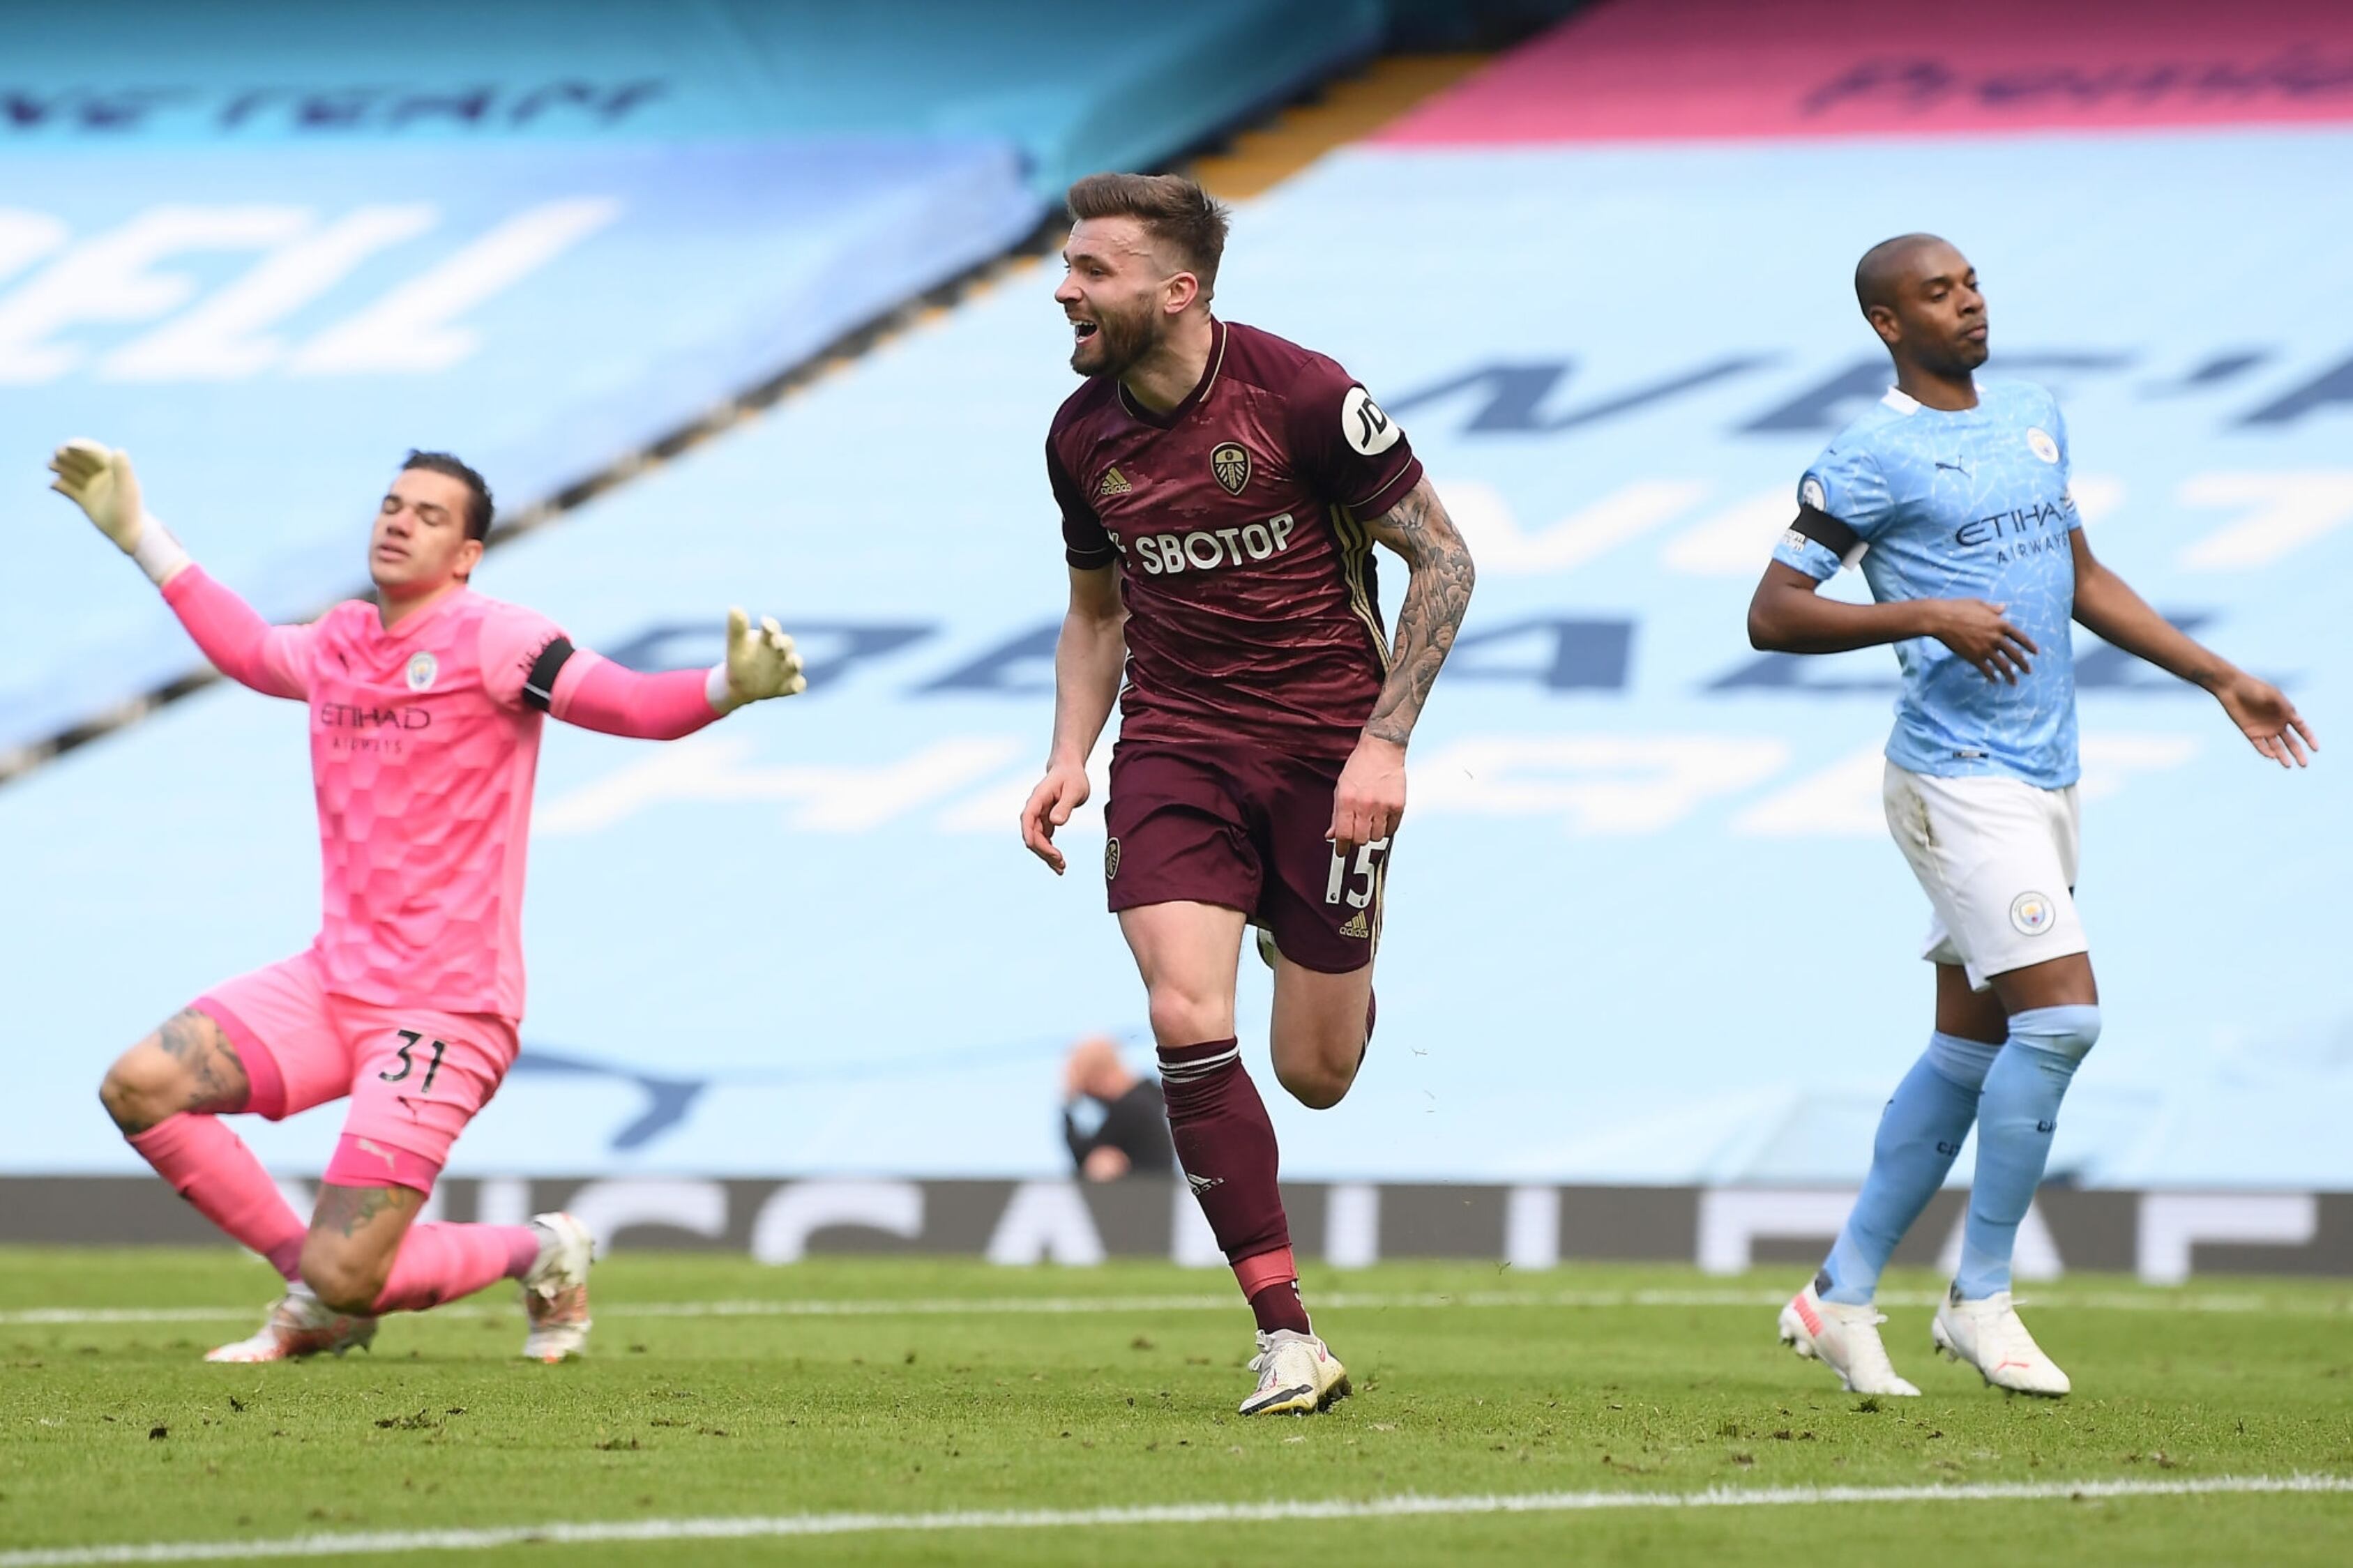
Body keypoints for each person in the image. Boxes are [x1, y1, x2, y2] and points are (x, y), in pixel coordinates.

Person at [47, 440, 807, 1364]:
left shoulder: (498, 641)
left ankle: (541, 1248)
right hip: (333, 984)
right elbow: (248, 649)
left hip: (444, 1007)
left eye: (429, 515)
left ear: (466, 557)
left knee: (344, 1266)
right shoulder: (339, 643)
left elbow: (630, 703)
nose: (400, 521)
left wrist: (730, 687)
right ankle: (320, 1291)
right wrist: (140, 535)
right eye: (392, 504)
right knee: (143, 1087)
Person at [1746, 235, 2316, 1397]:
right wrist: (1920, 614)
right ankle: (1979, 1295)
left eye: (1969, 284)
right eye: (1936, 294)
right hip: (1952, 776)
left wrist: (2215, 675)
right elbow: (1771, 612)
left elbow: (2081, 575)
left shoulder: (2033, 415)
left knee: (1968, 1045)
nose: (1966, 304)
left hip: (2042, 772)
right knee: (2060, 1022)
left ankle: (1839, 1293)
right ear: (1885, 324)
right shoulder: (1864, 459)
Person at [1019, 173, 1475, 1415]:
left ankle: (1305, 938)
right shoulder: (1078, 434)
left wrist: (1382, 746)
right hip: (1173, 745)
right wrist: (1071, 749)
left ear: (1178, 290)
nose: (1063, 287)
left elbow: (1442, 557)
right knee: (1179, 1013)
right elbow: (1095, 607)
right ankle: (1284, 1331)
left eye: (1091, 270)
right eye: (1065, 264)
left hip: (1325, 751)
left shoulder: (1305, 396)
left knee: (1317, 1073)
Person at [1062, 1035, 1174, 1181]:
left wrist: (1070, 1105)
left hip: (1141, 1197)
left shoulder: (1130, 1108)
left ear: (1095, 1078)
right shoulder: (1149, 1097)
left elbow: (1085, 1156)